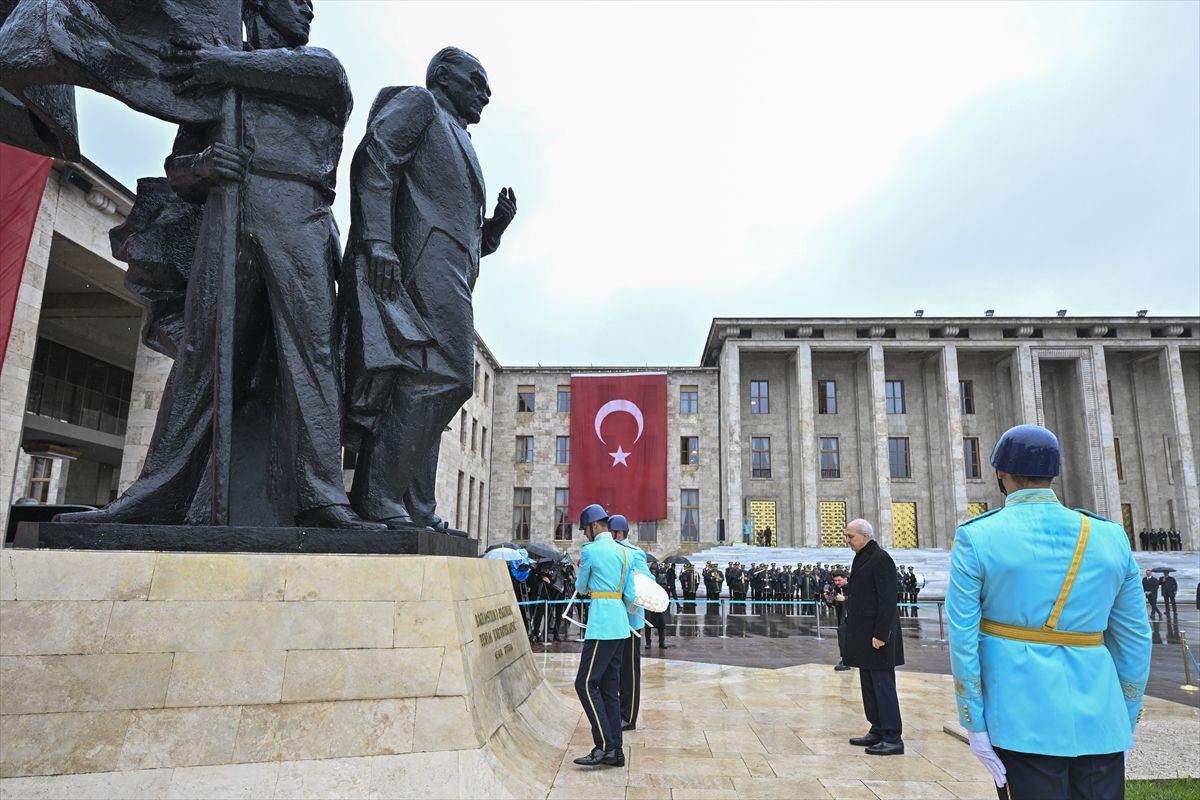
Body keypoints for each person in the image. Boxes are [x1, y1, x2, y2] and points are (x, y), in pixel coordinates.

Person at [61, 0, 382, 530]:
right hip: (226, 215)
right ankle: (158, 491)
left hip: (297, 210)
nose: (307, 8)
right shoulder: (219, 83)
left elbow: (327, 79)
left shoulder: (312, 67)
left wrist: (221, 65)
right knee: (202, 354)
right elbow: (177, 169)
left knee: (309, 352)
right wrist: (204, 166)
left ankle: (321, 495)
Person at [341, 47, 517, 529]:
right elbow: (375, 161)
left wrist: (493, 231)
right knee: (443, 376)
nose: (485, 94)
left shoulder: (460, 136)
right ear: (443, 76)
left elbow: (460, 227)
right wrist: (378, 239)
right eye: (476, 82)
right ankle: (377, 497)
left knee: (430, 382)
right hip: (417, 264)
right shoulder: (419, 104)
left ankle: (417, 507)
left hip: (453, 269)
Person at [947, 424, 1152, 798]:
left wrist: (974, 723)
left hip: (1020, 720)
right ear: (1052, 474)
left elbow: (963, 639)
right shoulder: (1109, 536)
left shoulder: (977, 536)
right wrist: (1125, 714)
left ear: (1000, 474)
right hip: (1102, 718)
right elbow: (1135, 638)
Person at [571, 504, 637, 767]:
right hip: (620, 623)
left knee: (585, 684)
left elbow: (582, 586)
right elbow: (630, 594)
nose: (585, 534)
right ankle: (616, 751)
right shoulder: (625, 553)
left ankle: (604, 745)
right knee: (610, 688)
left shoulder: (590, 551)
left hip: (601, 623)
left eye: (586, 529)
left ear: (595, 526)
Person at [843, 518, 905, 756]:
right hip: (864, 636)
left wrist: (881, 634)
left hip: (878, 638)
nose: (847, 541)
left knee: (883, 686)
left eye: (851, 537)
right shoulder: (863, 556)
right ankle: (877, 728)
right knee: (869, 686)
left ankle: (892, 736)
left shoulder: (881, 559)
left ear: (865, 536)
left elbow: (888, 600)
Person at [609, 514, 648, 732]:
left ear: (619, 533)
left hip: (631, 619)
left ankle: (629, 715)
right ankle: (617, 710)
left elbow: (647, 581)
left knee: (629, 670)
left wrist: (632, 577)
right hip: (613, 618)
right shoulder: (609, 552)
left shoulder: (636, 554)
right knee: (614, 667)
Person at [830, 571, 851, 671]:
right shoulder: (836, 589)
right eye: (835, 581)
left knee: (842, 633)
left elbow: (859, 600)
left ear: (845, 578)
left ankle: (846, 661)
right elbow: (833, 604)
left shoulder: (854, 587)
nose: (837, 582)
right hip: (844, 618)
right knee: (843, 636)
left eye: (839, 580)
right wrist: (827, 599)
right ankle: (846, 660)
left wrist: (845, 599)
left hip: (856, 618)